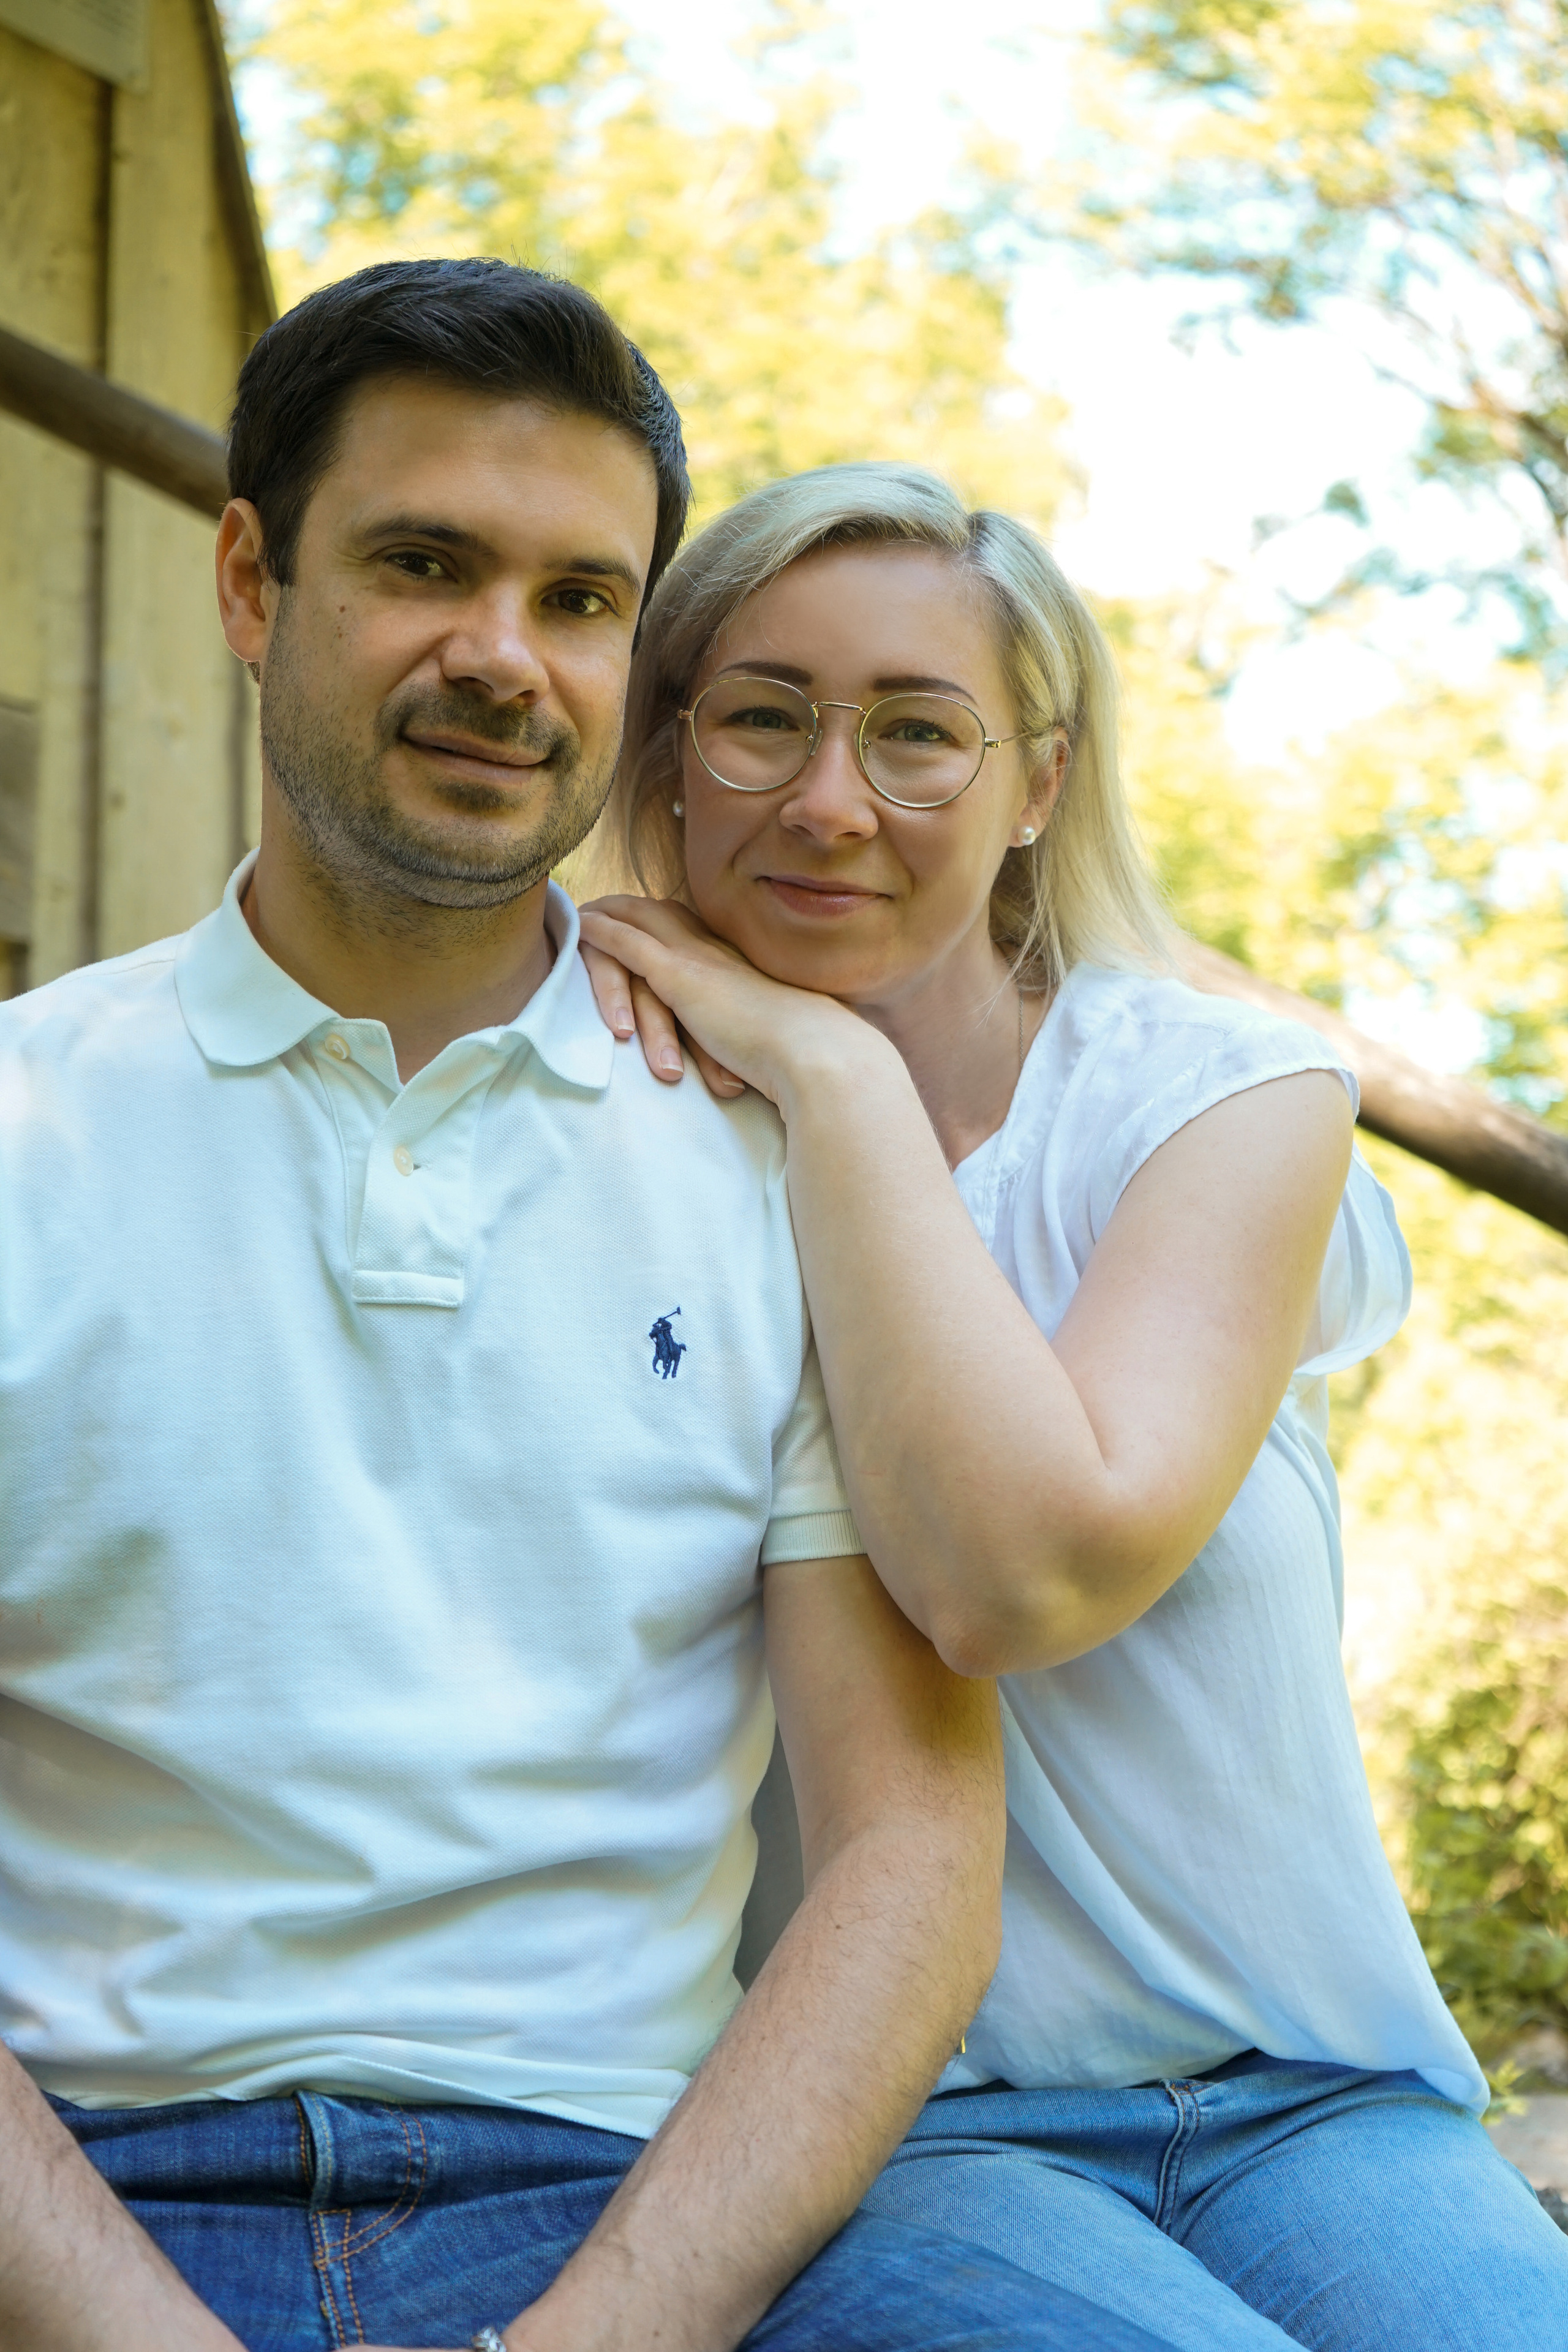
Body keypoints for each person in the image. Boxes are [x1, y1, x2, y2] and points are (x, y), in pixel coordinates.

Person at [0, 271, 1178, 2352]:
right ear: (255, 582)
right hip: (80, 2184)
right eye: (425, 565)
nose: (500, 658)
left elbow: (910, 1854)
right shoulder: (27, 1131)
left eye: (578, 598)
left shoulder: (779, 1162)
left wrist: (607, 2334)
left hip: (631, 2199)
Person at [578, 459, 1568, 2351]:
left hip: (1315, 2100)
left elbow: (1033, 1570)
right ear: (673, 752)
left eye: (921, 735)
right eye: (764, 717)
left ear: (1039, 781)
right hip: (909, 2128)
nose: (830, 799)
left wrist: (830, 1077)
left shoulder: (1217, 1099)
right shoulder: (604, 1140)